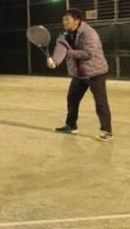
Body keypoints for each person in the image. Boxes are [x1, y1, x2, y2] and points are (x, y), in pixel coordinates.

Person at [47, 8, 114, 141]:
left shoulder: (89, 33)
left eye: (67, 19)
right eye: (63, 19)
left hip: (95, 72)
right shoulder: (64, 35)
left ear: (77, 20)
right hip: (79, 74)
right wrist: (55, 61)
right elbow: (60, 48)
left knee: (100, 102)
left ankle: (106, 131)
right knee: (72, 99)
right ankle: (71, 126)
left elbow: (89, 53)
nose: (64, 22)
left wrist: (69, 53)